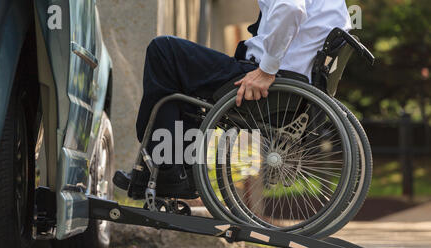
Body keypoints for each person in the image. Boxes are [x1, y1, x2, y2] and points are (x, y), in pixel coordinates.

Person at [115, 0, 352, 199]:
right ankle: (174, 170)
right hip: (292, 88)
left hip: (273, 84)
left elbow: (290, 7)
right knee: (184, 79)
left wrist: (267, 70)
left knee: (163, 51)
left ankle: (166, 171)